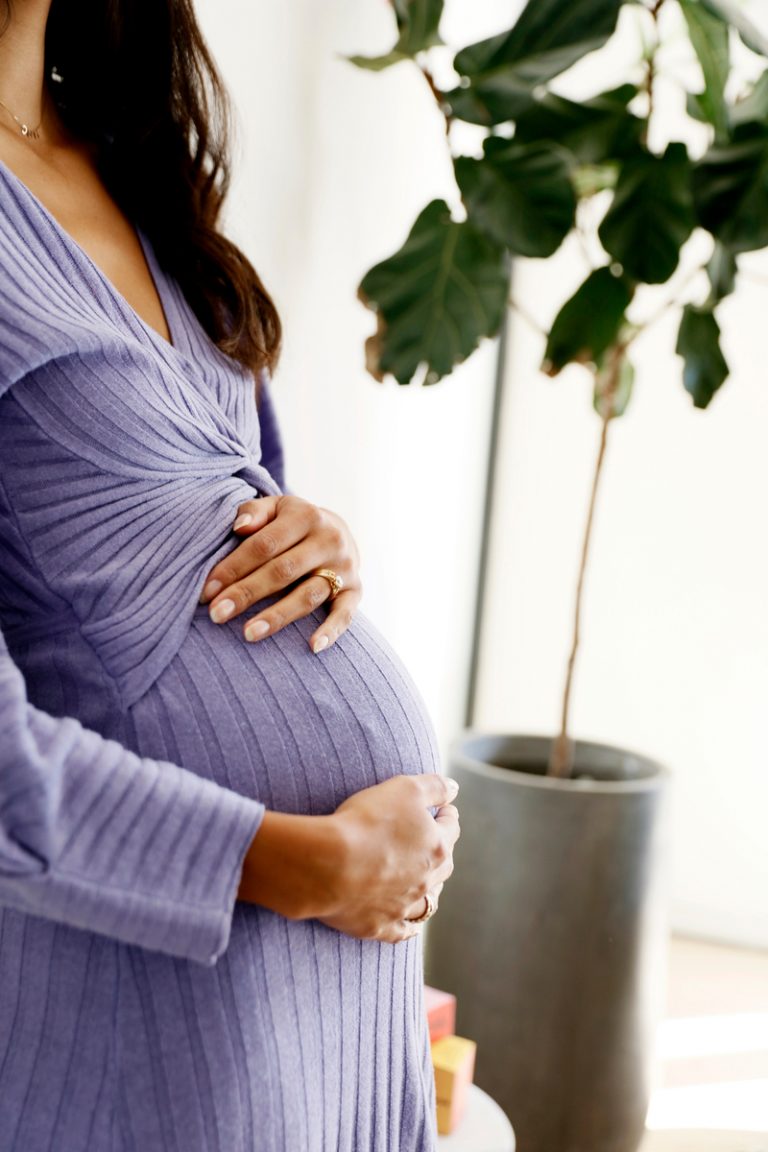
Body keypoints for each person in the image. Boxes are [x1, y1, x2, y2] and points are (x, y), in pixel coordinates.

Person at [0, 1, 461, 1149]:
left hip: (328, 982)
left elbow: (209, 515)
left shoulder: (121, 154)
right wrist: (305, 864)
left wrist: (318, 539)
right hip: (157, 979)